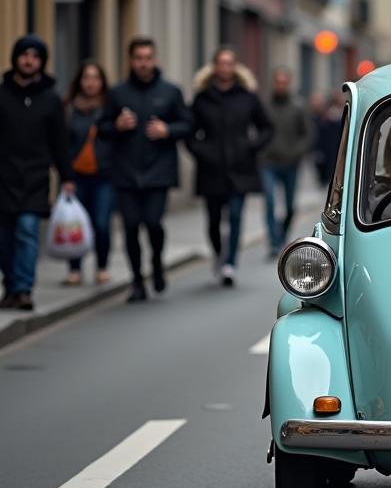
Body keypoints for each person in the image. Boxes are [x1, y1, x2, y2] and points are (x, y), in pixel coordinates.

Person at [99, 37, 192, 303]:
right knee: (130, 227)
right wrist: (116, 125)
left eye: (147, 57)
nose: (143, 63)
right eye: (138, 58)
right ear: (131, 60)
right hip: (126, 172)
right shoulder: (117, 93)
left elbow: (188, 125)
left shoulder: (170, 91)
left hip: (158, 171)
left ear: (155, 59)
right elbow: (102, 129)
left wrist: (168, 130)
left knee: (153, 223)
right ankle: (137, 280)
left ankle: (157, 263)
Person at [0, 35, 74, 311]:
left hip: (34, 178)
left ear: (42, 62)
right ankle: (10, 284)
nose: (29, 61)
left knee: (27, 230)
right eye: (24, 55)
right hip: (4, 177)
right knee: (5, 238)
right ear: (15, 58)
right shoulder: (2, 95)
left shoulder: (51, 100)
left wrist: (67, 176)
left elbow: (60, 141)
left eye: (35, 57)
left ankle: (24, 289)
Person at [188, 47, 272, 286]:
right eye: (221, 63)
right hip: (211, 170)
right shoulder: (202, 98)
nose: (225, 67)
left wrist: (251, 146)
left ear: (235, 67)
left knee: (235, 215)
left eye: (229, 63)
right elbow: (190, 133)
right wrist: (201, 152)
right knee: (213, 221)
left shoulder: (247, 96)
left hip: (240, 168)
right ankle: (219, 253)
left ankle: (230, 263)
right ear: (214, 67)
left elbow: (266, 127)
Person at [64, 60, 115, 286]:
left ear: (102, 82)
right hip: (76, 176)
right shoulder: (68, 109)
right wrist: (66, 175)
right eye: (86, 78)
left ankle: (102, 266)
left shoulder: (110, 107)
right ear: (79, 81)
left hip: (105, 175)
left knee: (101, 223)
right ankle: (75, 268)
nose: (91, 83)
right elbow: (63, 144)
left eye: (95, 78)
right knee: (74, 224)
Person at [262, 67, 313, 257]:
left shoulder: (298, 107)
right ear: (273, 83)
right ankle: (274, 241)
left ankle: (282, 233)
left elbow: (307, 135)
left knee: (290, 206)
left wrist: (296, 153)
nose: (281, 86)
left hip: (291, 164)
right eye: (278, 82)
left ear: (289, 84)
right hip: (268, 162)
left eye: (284, 82)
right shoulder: (265, 106)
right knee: (269, 202)